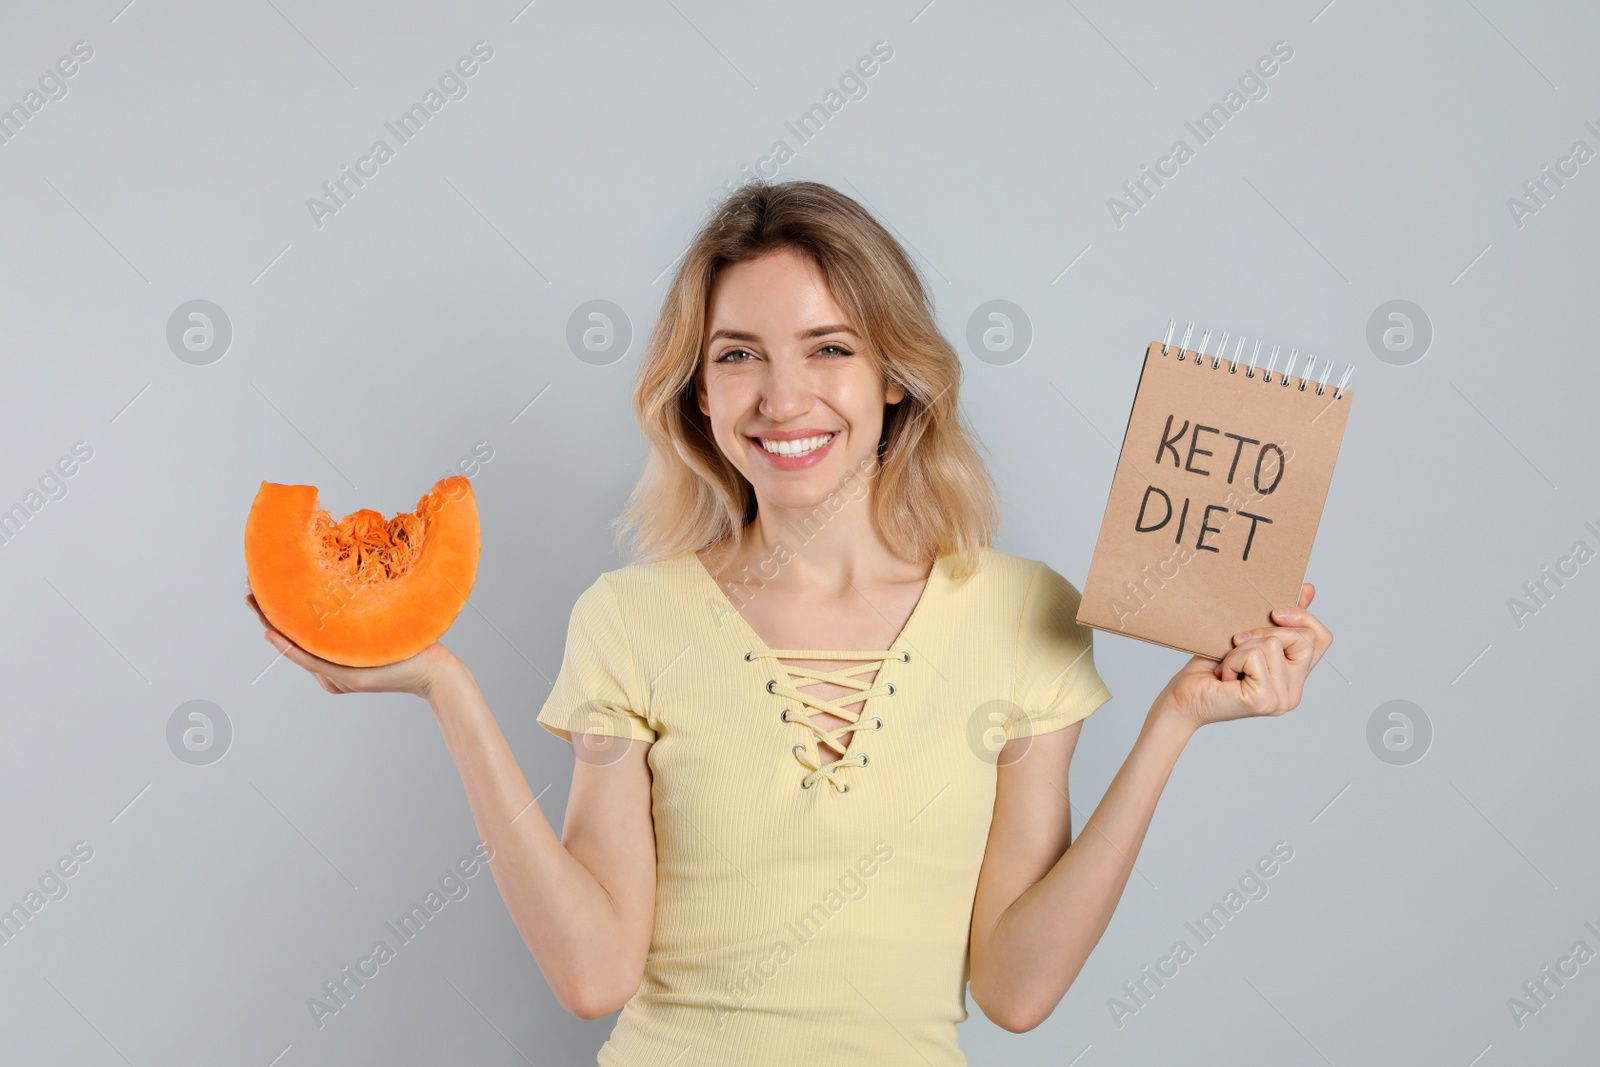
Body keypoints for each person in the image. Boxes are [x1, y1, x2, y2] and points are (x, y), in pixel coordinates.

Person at [245, 180, 1331, 1065]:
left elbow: (1014, 987)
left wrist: (1172, 723)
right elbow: (591, 976)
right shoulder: (628, 619)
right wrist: (448, 687)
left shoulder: (1023, 614)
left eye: (828, 347)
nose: (782, 395)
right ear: (698, 396)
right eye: (737, 354)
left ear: (896, 377)